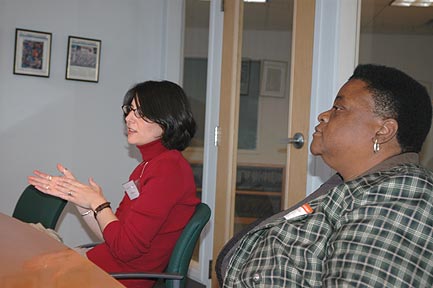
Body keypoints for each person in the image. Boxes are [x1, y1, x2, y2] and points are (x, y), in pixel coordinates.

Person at [219, 64, 433, 287]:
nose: (323, 116)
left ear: (383, 130)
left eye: (339, 108)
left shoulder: (404, 194)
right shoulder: (351, 186)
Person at [28, 80, 200, 288]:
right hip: (102, 265)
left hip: (117, 279)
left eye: (139, 113)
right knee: (30, 258)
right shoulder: (148, 166)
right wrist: (84, 204)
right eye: (129, 111)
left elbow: (125, 249)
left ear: (166, 120)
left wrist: (98, 202)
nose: (128, 118)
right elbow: (113, 236)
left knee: (27, 271)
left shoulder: (169, 170)